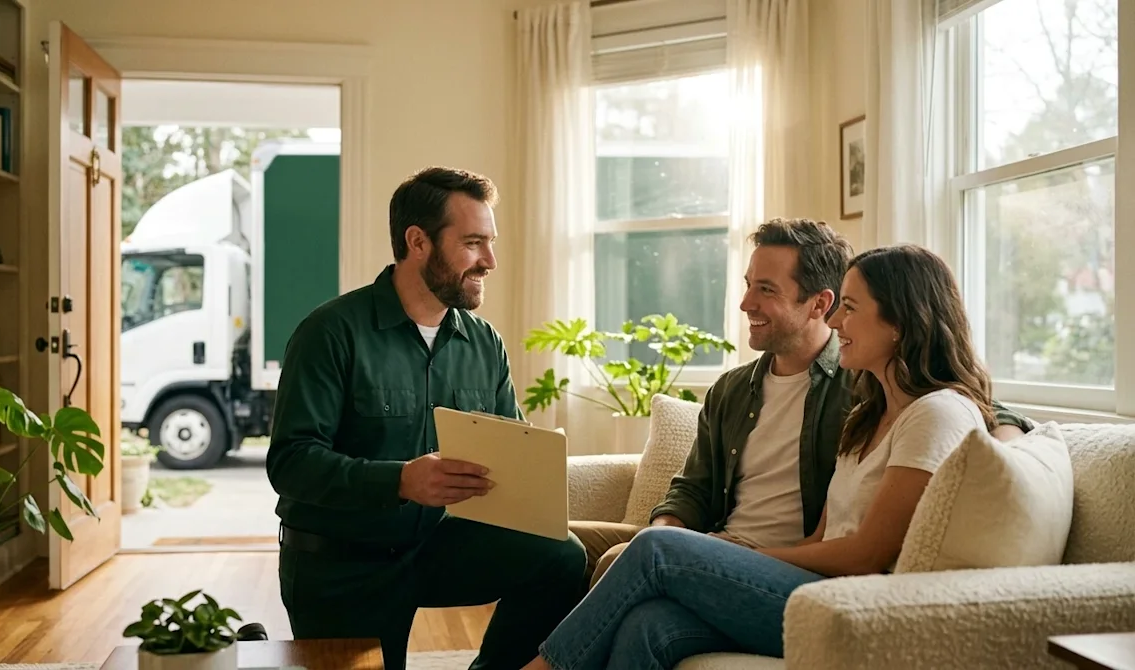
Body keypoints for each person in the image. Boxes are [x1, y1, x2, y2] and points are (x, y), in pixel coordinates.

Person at [523, 243, 1006, 670]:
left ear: (900, 323)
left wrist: (734, 555)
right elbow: (822, 531)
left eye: (851, 307)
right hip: (804, 580)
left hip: (851, 602)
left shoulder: (931, 413)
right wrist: (714, 550)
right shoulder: (869, 412)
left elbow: (866, 555)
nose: (838, 321)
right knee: (649, 625)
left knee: (655, 550)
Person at [570, 219, 1030, 588]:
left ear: (818, 303)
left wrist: (1005, 442)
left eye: (766, 289)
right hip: (711, 542)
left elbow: (964, 400)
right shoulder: (732, 390)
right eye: (749, 284)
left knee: (621, 560)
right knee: (563, 545)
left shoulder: (865, 383)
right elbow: (693, 487)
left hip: (778, 563)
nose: (745, 302)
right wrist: (669, 525)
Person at [266, 166, 587, 670]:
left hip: (437, 548)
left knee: (561, 555)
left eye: (491, 242)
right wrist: (401, 481)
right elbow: (291, 462)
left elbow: (510, 449)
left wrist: (533, 476)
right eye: (474, 243)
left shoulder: (484, 342)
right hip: (340, 562)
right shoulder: (329, 333)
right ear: (418, 241)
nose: (490, 261)